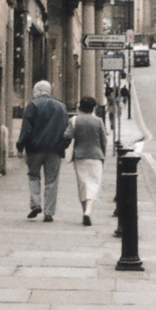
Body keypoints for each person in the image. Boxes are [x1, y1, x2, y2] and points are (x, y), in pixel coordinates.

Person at [16, 81, 69, 222]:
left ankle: (35, 204)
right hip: (55, 149)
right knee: (51, 180)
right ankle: (49, 212)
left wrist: (20, 146)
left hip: (34, 148)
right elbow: (66, 129)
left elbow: (26, 129)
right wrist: (64, 145)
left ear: (38, 91)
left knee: (33, 176)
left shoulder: (33, 105)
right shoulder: (61, 106)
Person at [63, 96, 108, 226]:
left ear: (79, 106)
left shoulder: (74, 120)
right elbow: (103, 141)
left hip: (80, 156)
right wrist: (102, 156)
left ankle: (85, 212)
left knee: (82, 185)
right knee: (94, 184)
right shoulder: (98, 121)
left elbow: (67, 135)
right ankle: (88, 211)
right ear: (93, 108)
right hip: (96, 156)